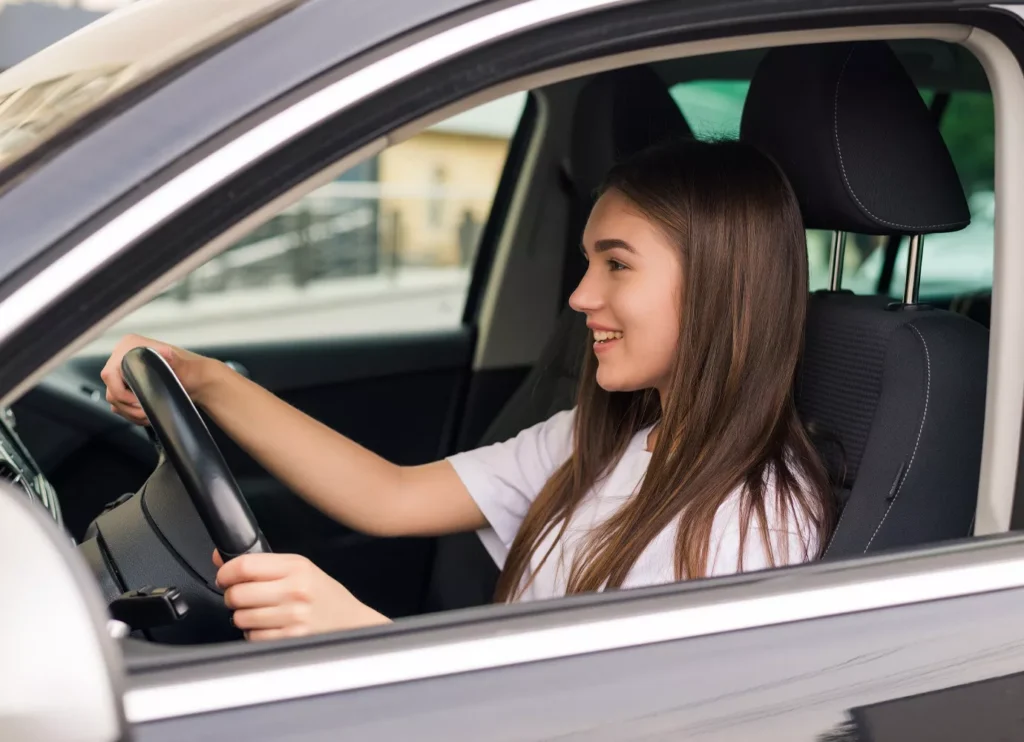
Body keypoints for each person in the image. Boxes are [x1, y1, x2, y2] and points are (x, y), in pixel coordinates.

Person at [101, 139, 836, 641]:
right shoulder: (600, 439)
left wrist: (361, 638)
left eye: (616, 264)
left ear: (718, 287)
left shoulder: (754, 523)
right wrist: (202, 379)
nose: (580, 296)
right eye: (587, 263)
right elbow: (388, 496)